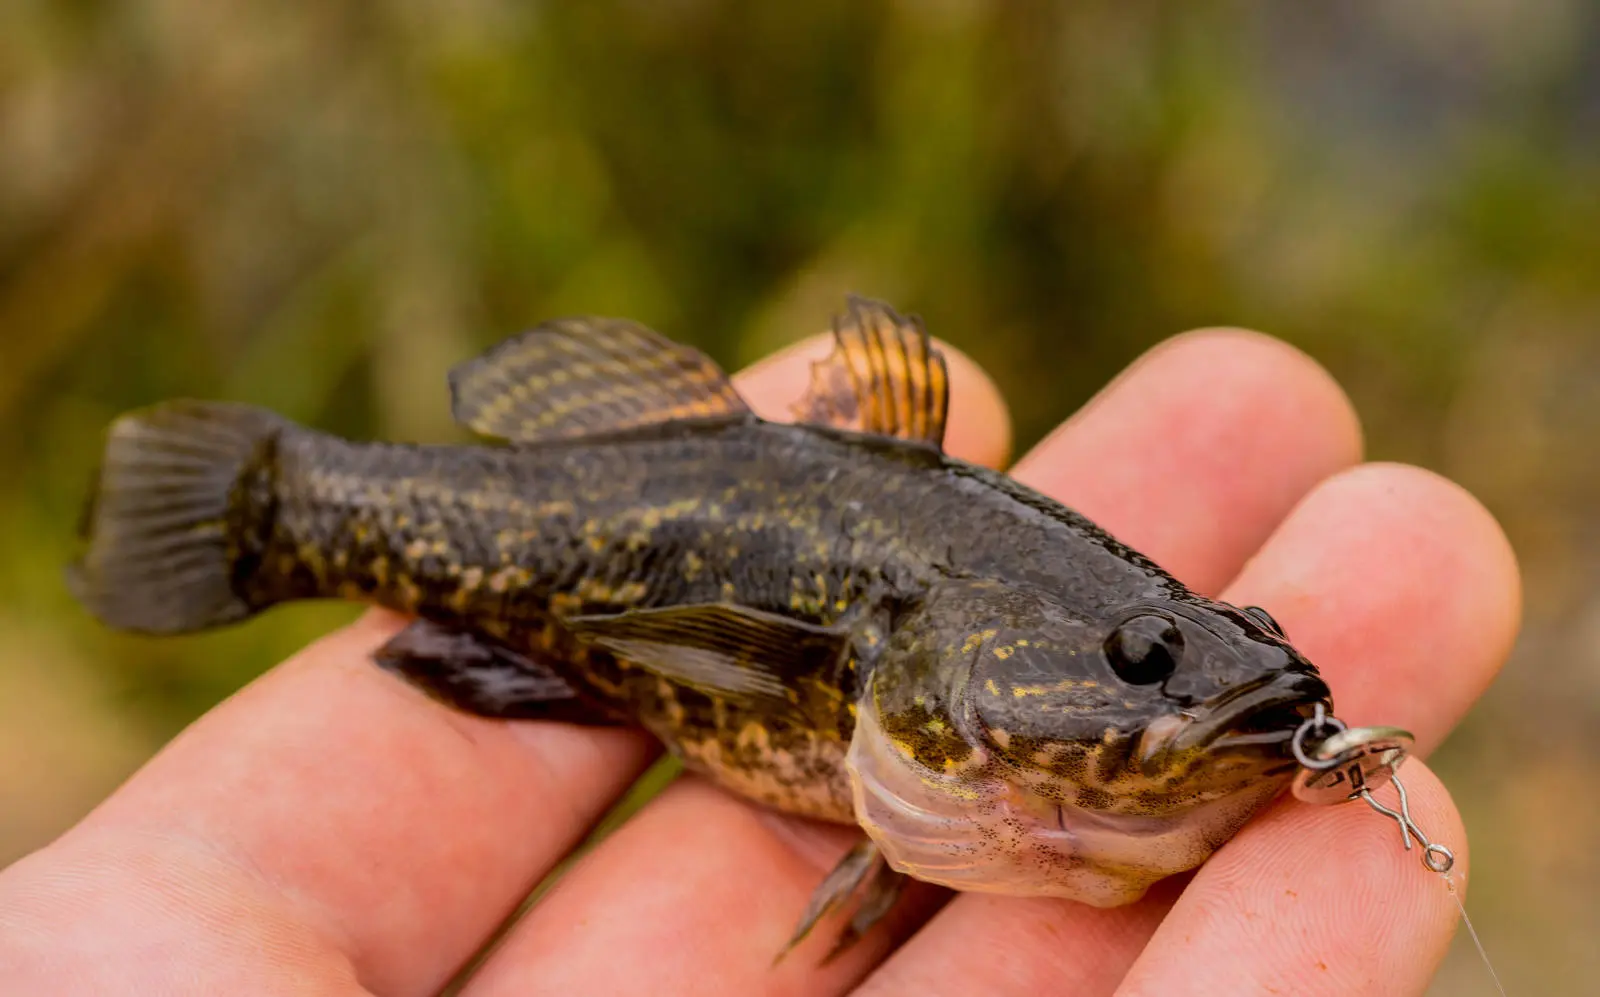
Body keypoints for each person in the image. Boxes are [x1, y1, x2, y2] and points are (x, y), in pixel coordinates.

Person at [0, 326, 1520, 996]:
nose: (1194, 686)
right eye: (1141, 655)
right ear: (939, 651)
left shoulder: (1041, 711)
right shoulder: (911, 677)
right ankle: (265, 507)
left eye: (1219, 649)